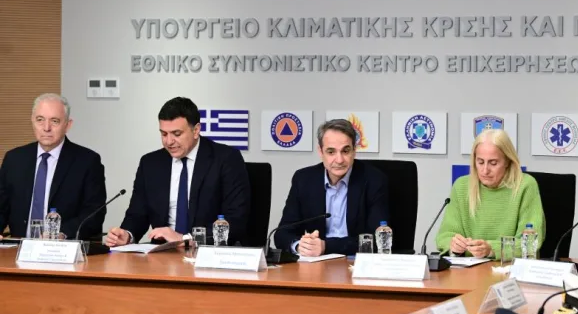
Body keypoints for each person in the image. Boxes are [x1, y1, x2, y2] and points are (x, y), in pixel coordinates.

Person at [105, 97, 250, 246]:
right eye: (164, 134)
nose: (169, 141)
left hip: (206, 251)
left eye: (177, 133)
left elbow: (236, 220)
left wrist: (185, 239)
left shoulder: (226, 159)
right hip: (161, 253)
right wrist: (127, 235)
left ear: (196, 130)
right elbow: (137, 214)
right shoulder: (150, 163)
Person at [273, 119, 389, 256]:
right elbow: (282, 233)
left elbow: (378, 238)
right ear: (320, 152)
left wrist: (326, 246)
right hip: (315, 263)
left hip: (356, 261)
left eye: (345, 151)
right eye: (331, 152)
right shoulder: (304, 180)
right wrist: (300, 246)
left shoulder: (374, 180)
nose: (339, 160)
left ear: (354, 150)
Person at [0, 93, 107, 240]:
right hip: (19, 247)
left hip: (62, 248)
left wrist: (62, 233)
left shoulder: (87, 161)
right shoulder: (14, 159)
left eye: (54, 121)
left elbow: (94, 213)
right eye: (40, 120)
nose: (46, 128)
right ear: (32, 121)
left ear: (68, 125)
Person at [436, 129, 545, 259]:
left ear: (507, 161)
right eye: (480, 162)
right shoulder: (461, 186)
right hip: (469, 268)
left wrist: (491, 249)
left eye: (493, 163)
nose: (485, 170)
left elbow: (529, 243)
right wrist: (453, 245)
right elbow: (444, 236)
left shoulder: (525, 185)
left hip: (510, 267)